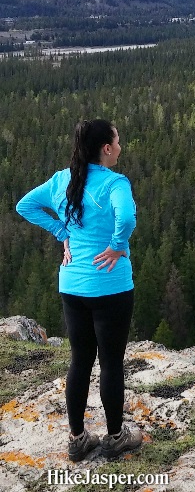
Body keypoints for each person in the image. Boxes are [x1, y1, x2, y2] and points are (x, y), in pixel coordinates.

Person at [16, 119, 142, 462]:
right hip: (111, 285)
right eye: (117, 141)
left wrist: (63, 233)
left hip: (72, 283)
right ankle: (115, 437)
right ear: (105, 148)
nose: (120, 146)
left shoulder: (62, 180)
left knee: (80, 360)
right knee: (111, 362)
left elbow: (24, 205)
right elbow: (127, 218)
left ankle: (77, 439)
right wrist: (117, 246)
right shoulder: (116, 182)